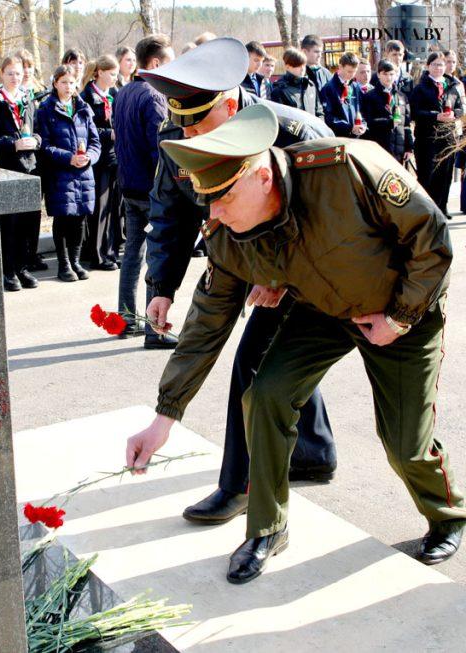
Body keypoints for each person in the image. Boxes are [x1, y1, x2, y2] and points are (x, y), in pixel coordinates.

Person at [127, 104, 466, 584]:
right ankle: (266, 528)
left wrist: (399, 317)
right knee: (265, 395)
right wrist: (165, 416)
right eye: (209, 202)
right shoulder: (227, 232)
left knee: (404, 444)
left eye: (222, 198)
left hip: (402, 311)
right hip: (322, 311)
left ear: (262, 176)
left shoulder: (348, 167)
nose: (214, 213)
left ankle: (448, 515)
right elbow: (206, 326)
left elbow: (431, 237)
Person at [141, 37, 336, 524]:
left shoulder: (297, 133)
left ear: (230, 104)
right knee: (282, 360)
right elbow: (170, 214)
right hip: (244, 265)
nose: (190, 135)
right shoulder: (181, 137)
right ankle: (314, 451)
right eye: (181, 122)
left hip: (316, 273)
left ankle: (239, 485)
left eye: (199, 121)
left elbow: (332, 224)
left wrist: (283, 278)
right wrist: (161, 286)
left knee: (254, 362)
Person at [112, 34, 176, 348]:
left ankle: (125, 318)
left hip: (129, 185)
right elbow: (161, 149)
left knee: (133, 255)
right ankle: (153, 328)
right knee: (155, 256)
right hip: (151, 189)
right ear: (154, 64)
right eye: (169, 62)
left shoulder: (124, 93)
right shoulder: (153, 95)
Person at [35, 65, 100, 283]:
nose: (68, 87)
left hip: (83, 173)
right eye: (63, 82)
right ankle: (64, 264)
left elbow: (95, 141)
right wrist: (68, 158)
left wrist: (90, 156)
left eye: (72, 82)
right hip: (60, 173)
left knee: (80, 219)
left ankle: (76, 261)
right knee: (63, 219)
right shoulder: (46, 109)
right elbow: (44, 145)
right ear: (55, 84)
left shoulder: (84, 108)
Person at [0, 55, 41, 291]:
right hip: (7, 167)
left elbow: (40, 131)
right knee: (10, 224)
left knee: (28, 223)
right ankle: (9, 270)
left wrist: (36, 140)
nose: (15, 78)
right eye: (10, 73)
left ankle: (23, 267)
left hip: (29, 166)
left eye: (19, 74)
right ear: (1, 74)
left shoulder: (27, 99)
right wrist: (13, 143)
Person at [410, 51, 464, 219]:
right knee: (428, 175)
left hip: (447, 137)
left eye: (441, 65)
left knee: (445, 175)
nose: (439, 68)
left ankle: (442, 207)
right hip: (427, 138)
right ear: (428, 66)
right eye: (435, 65)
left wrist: (453, 114)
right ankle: (428, 211)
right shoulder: (421, 88)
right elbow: (415, 112)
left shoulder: (451, 85)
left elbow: (460, 107)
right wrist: (435, 115)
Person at [79, 55, 121, 270]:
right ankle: (97, 254)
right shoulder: (87, 96)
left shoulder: (113, 94)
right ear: (99, 72)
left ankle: (110, 250)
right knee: (99, 206)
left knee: (112, 208)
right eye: (112, 74)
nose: (115, 78)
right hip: (99, 158)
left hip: (114, 157)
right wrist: (108, 134)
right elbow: (88, 128)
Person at [15, 48, 49, 273]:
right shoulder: (12, 94)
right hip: (19, 161)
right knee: (20, 213)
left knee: (35, 211)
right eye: (23, 67)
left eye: (30, 67)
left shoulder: (40, 92)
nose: (27, 71)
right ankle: (21, 255)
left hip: (40, 158)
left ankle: (32, 252)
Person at [362, 60, 413, 165]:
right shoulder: (370, 96)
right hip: (380, 147)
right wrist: (389, 122)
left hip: (399, 148)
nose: (388, 77)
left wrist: (409, 147)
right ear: (379, 74)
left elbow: (406, 124)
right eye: (385, 74)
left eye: (391, 74)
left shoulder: (401, 96)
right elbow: (369, 122)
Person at [320, 52, 367, 138]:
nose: (352, 75)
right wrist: (349, 127)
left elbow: (362, 110)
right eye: (349, 71)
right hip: (338, 137)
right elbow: (328, 117)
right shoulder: (329, 88)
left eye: (354, 71)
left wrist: (363, 125)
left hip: (356, 137)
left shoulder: (355, 86)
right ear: (340, 67)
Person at [270, 48, 323, 119]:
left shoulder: (310, 85)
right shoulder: (279, 90)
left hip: (313, 128)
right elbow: (281, 120)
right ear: (287, 67)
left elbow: (319, 112)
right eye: (298, 65)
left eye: (303, 65)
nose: (302, 69)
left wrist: (319, 127)